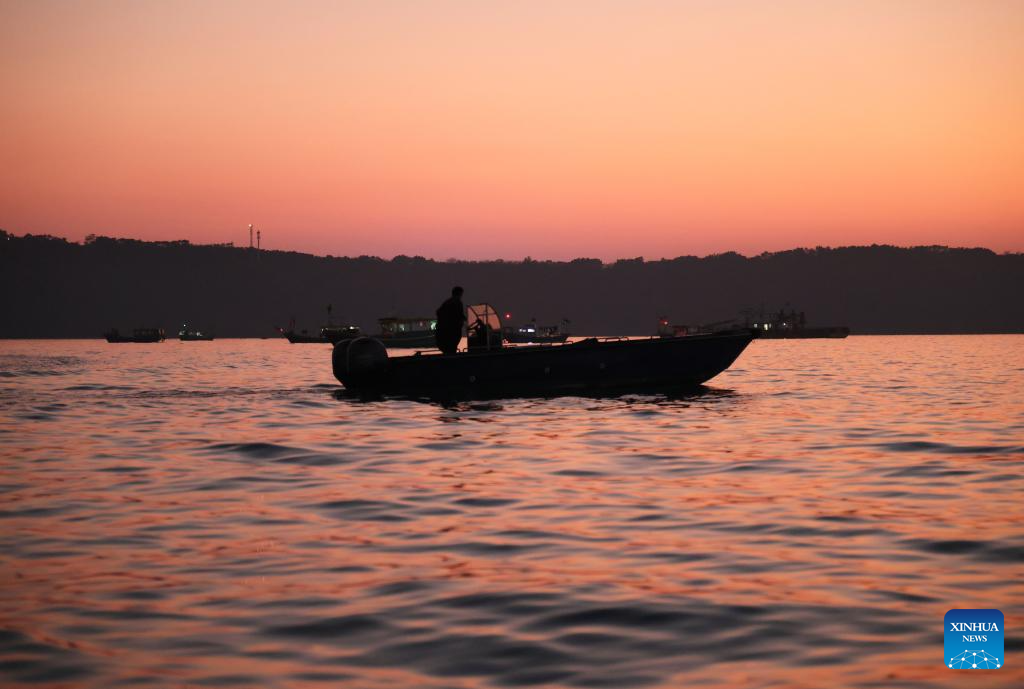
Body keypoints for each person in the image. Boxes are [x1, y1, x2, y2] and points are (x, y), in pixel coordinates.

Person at [435, 286, 467, 354]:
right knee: (451, 349)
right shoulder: (457, 302)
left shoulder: (447, 302)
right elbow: (458, 314)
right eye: (461, 294)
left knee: (449, 350)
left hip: (443, 333)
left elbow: (438, 312)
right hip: (451, 332)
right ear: (459, 294)